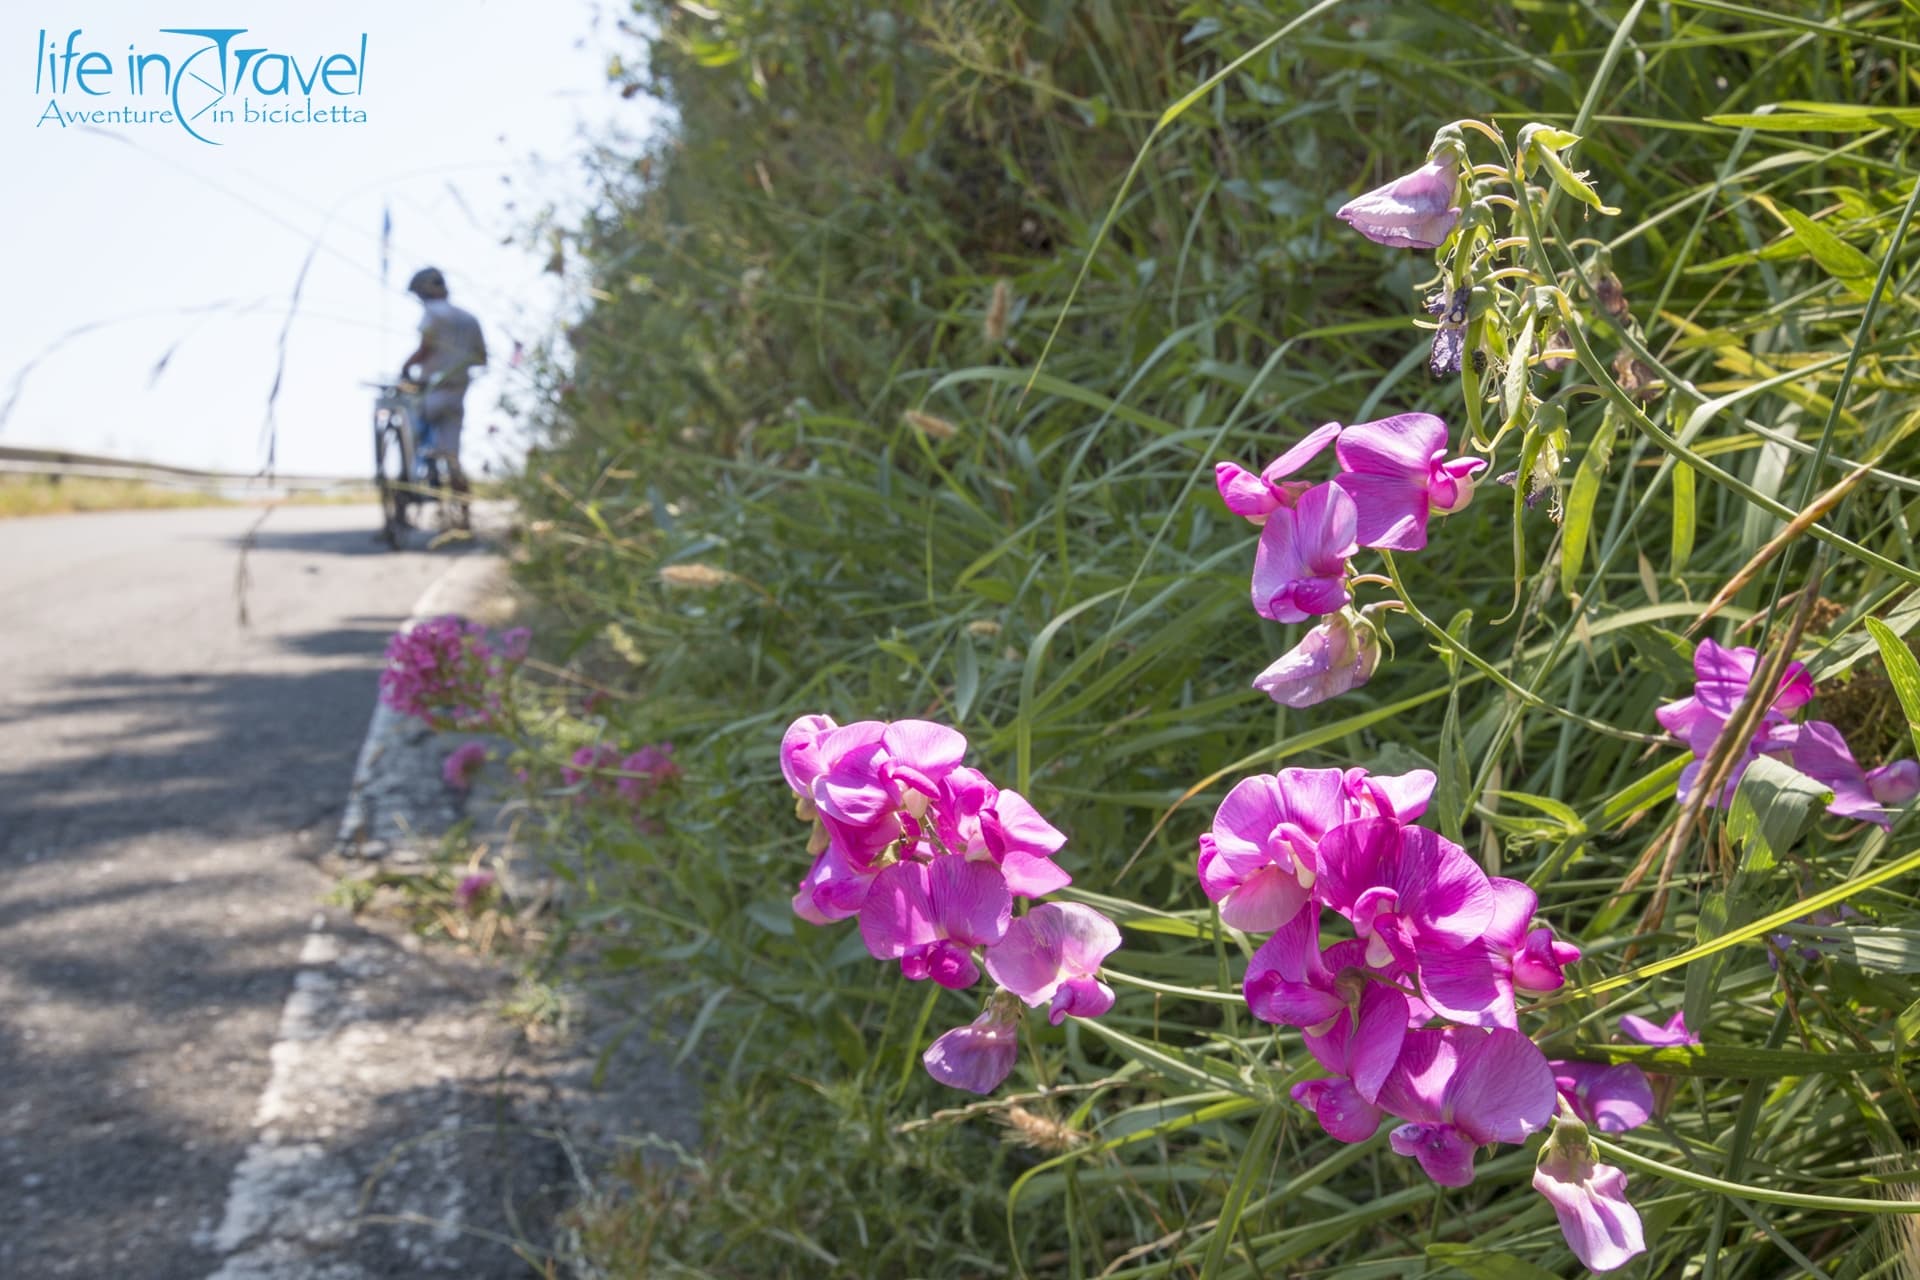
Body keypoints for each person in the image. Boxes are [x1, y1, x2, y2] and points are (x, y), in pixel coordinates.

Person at [398, 266, 487, 530]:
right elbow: (481, 357)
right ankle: (464, 518)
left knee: (411, 437)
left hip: (432, 391)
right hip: (458, 392)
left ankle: (407, 493)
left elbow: (425, 348)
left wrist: (406, 368)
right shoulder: (470, 319)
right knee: (453, 457)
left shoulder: (433, 314)